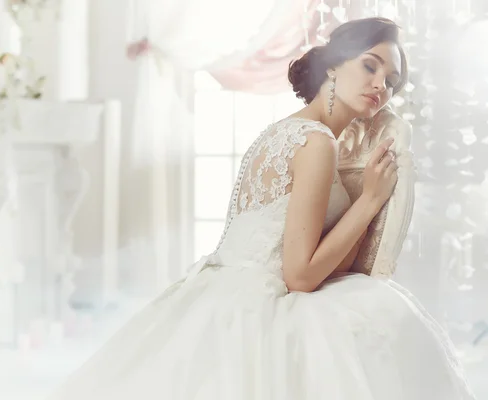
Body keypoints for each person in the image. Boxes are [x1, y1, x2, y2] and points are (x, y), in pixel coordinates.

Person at [47, 17, 476, 400]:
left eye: (392, 80)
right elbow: (300, 276)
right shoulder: (317, 143)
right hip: (262, 308)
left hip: (217, 293)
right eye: (370, 65)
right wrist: (368, 200)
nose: (382, 85)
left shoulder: (281, 131)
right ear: (334, 65)